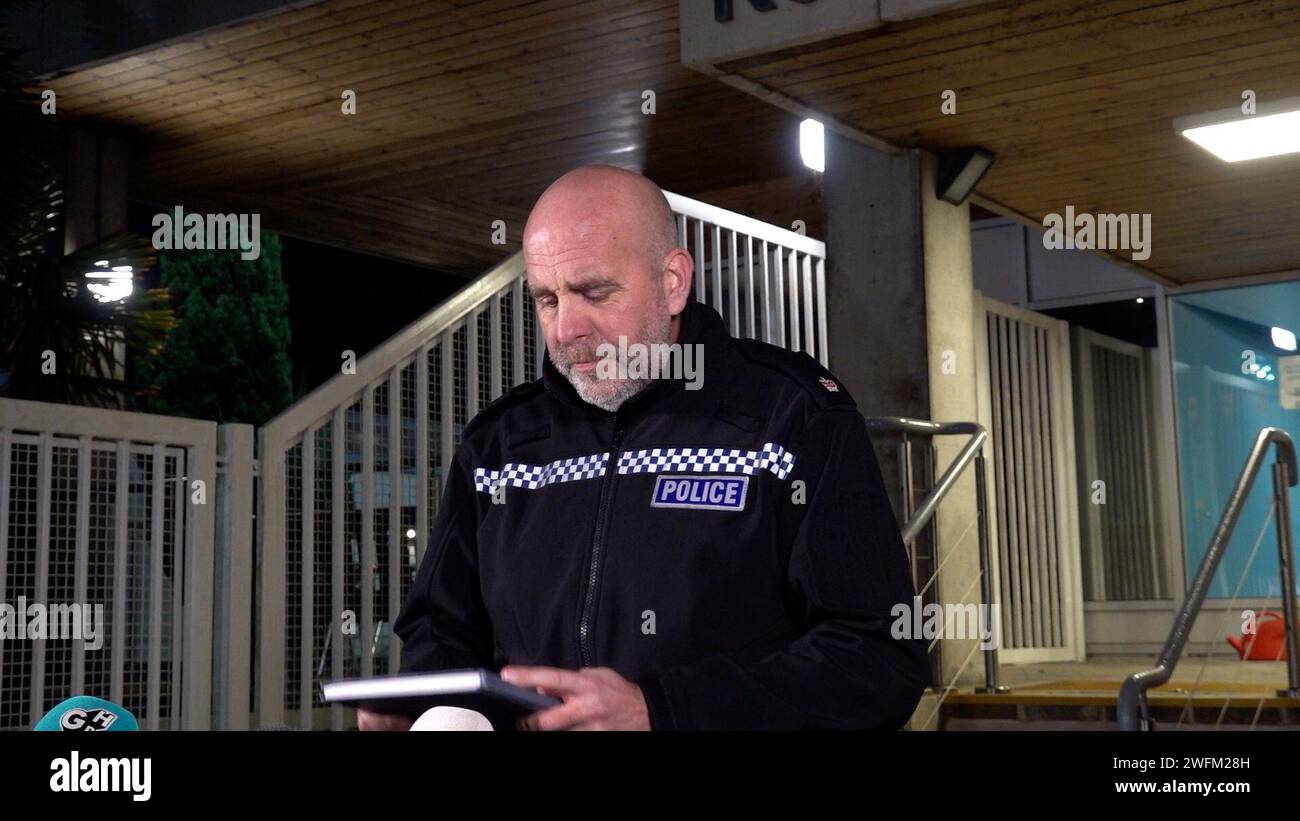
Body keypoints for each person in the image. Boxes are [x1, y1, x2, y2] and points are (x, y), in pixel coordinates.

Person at [357, 164, 928, 731]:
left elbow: (877, 657)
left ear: (673, 281)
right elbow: (442, 628)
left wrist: (661, 710)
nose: (566, 330)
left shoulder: (792, 416)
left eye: (595, 292)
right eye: (548, 300)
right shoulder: (499, 445)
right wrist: (431, 703)